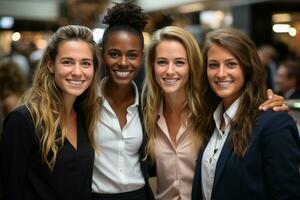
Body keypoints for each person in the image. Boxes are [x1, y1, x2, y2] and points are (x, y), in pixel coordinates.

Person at [142, 26, 289, 200]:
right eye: (162, 62)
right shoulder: (146, 115)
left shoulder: (208, 111)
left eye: (180, 62)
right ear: (151, 66)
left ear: (193, 66)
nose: (170, 70)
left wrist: (272, 102)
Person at [192, 28, 300, 200]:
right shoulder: (210, 119)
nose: (220, 73)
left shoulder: (274, 122)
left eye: (231, 64)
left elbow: (287, 195)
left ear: (247, 67)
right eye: (213, 65)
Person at [0, 25, 101, 200]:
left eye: (85, 63)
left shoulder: (85, 115)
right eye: (67, 62)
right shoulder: (24, 120)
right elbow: (9, 191)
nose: (77, 72)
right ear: (51, 65)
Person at [91, 1, 154, 200]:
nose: (123, 63)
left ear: (141, 58)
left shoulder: (148, 105)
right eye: (114, 54)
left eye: (132, 55)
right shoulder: (86, 102)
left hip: (139, 196)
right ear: (102, 55)